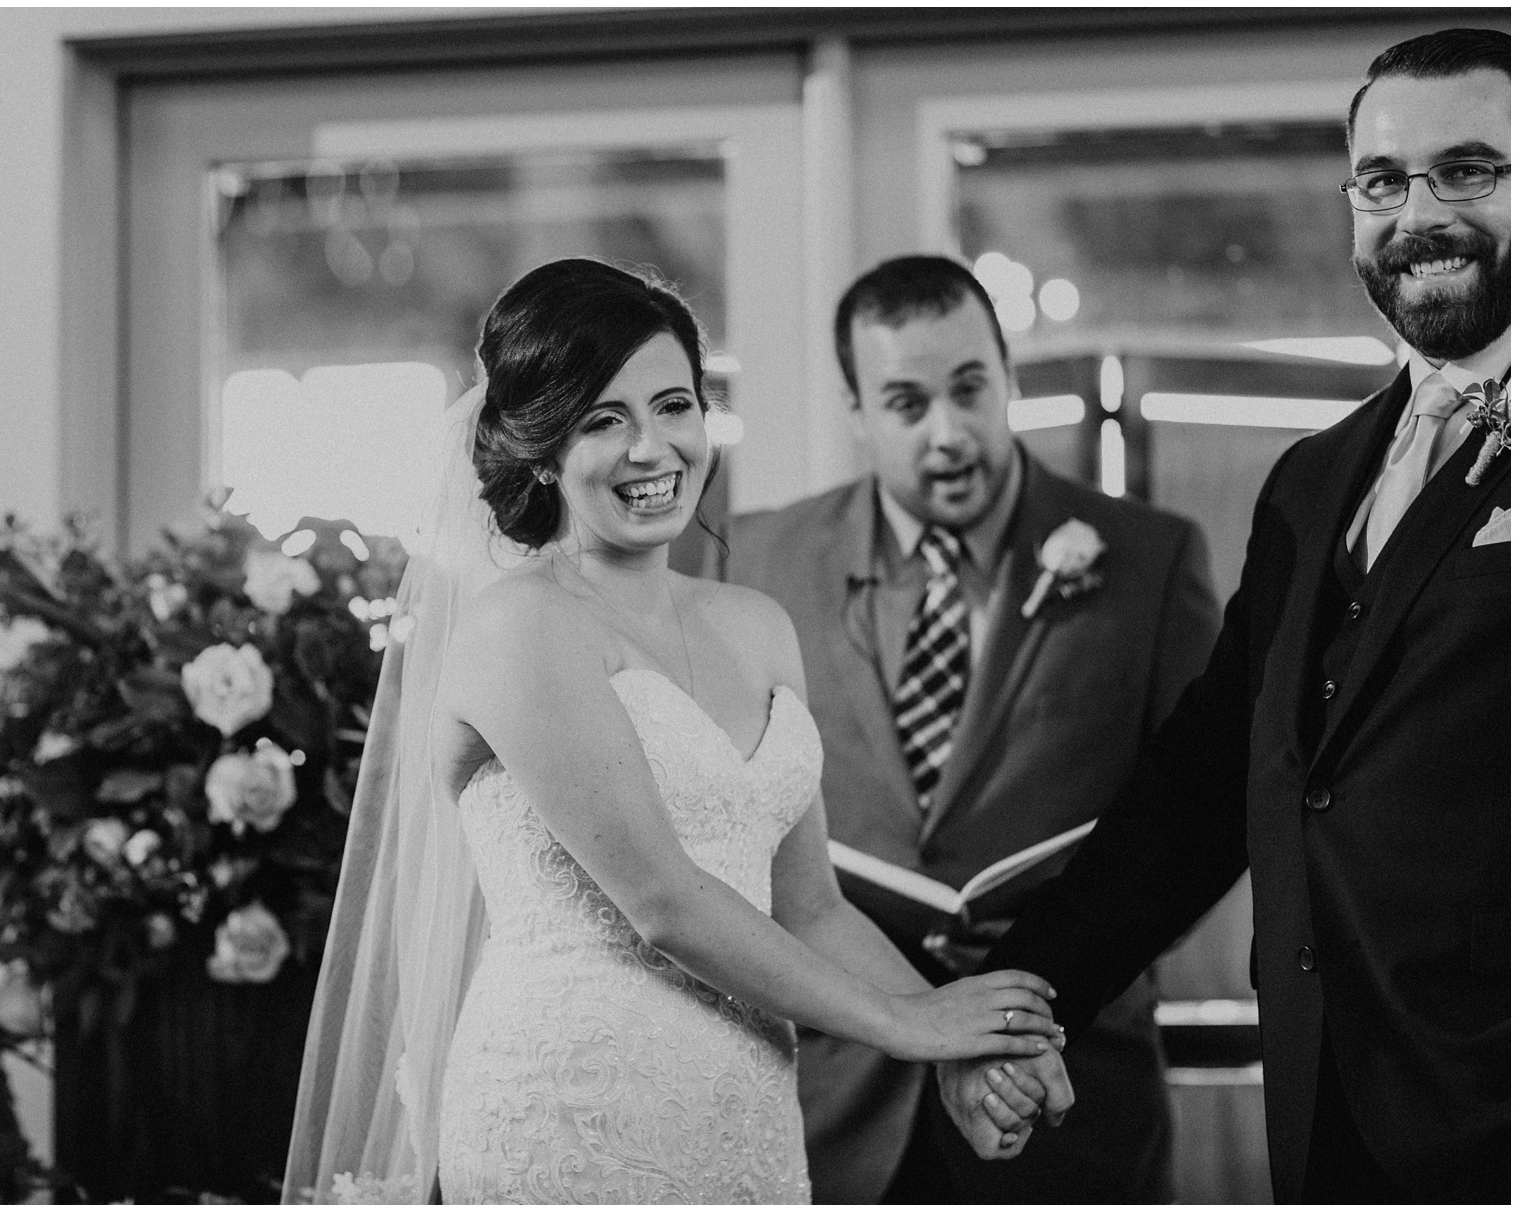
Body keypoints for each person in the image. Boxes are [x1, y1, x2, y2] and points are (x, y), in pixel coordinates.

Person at [281, 258, 1068, 1204]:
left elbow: (810, 907)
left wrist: (951, 1044)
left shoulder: (757, 624)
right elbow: (663, 901)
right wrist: (910, 1029)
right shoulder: (520, 626)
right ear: (541, 446)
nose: (653, 449)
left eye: (674, 406)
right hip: (574, 1112)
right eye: (604, 420)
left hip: (746, 1108)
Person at [941, 27, 1510, 1203]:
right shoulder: (1312, 482)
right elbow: (1206, 784)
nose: (1421, 214)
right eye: (1382, 181)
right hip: (1324, 1106)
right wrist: (1026, 996)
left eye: (1470, 169)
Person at [720, 254, 1220, 1201]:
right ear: (858, 412)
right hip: (831, 1100)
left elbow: (1197, 822)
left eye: (970, 389)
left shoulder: (1153, 562)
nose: (948, 434)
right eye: (907, 404)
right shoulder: (755, 560)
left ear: (1009, 378)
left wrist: (1048, 986)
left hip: (1066, 1093)